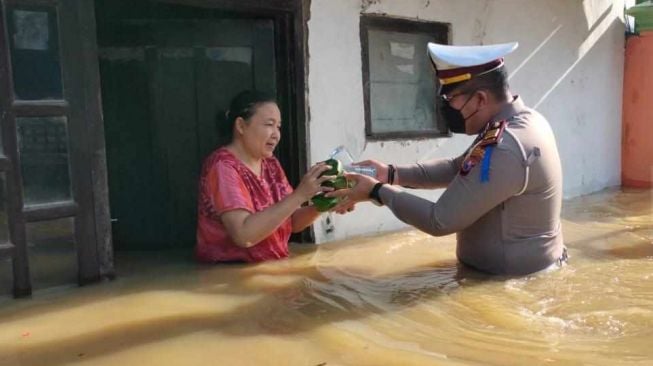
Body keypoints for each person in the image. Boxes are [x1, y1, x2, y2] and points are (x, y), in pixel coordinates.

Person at [329, 42, 566, 275]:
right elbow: (458, 167)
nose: (447, 108)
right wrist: (391, 173)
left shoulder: (506, 147)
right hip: (509, 276)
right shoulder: (518, 123)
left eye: (451, 99)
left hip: (512, 284)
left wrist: (376, 191)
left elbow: (440, 220)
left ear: (480, 99)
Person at [196, 90, 338, 263]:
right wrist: (300, 195)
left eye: (278, 126)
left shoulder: (271, 165)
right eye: (269, 124)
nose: (276, 134)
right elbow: (243, 235)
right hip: (231, 277)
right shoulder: (223, 167)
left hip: (271, 267)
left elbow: (292, 221)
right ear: (241, 126)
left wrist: (325, 203)